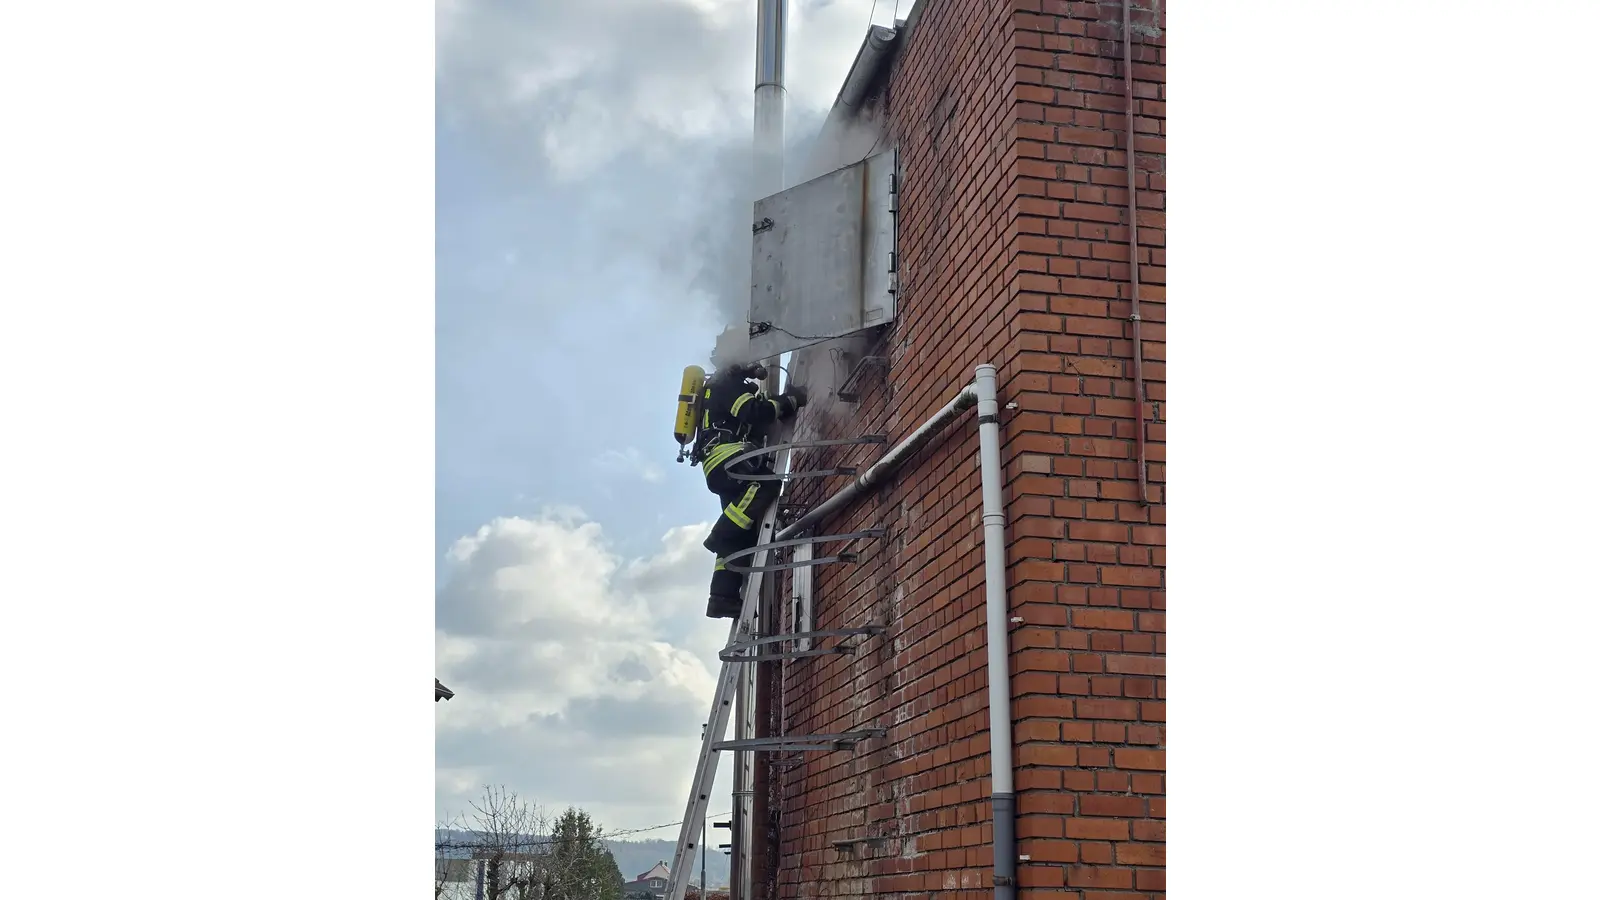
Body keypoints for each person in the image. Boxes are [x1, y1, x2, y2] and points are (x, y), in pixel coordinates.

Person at [695, 330, 808, 618]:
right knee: (766, 485)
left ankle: (722, 597)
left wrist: (773, 405)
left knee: (741, 537)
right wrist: (790, 401)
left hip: (720, 463)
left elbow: (752, 421)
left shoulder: (718, 385)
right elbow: (754, 412)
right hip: (729, 458)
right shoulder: (727, 383)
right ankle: (719, 535)